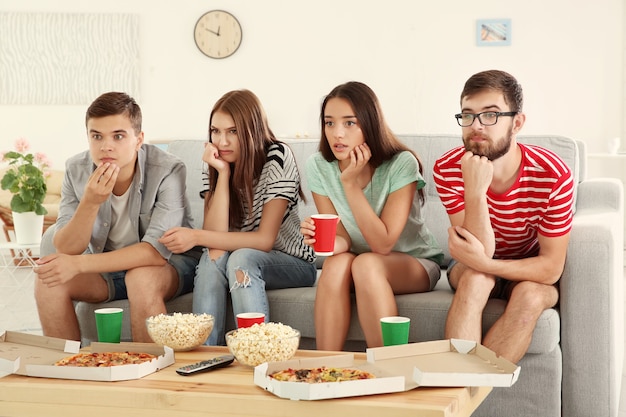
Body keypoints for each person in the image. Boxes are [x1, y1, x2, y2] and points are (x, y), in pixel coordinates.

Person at [34, 92, 200, 343]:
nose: (106, 146)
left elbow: (155, 253)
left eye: (118, 136)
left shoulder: (168, 169)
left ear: (138, 139)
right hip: (107, 272)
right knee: (48, 279)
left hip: (167, 267)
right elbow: (67, 248)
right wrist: (90, 202)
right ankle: (69, 372)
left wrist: (79, 265)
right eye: (96, 136)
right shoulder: (76, 169)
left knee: (140, 277)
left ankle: (150, 373)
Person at [433, 70, 575, 363]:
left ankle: (469, 394)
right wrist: (475, 191)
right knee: (476, 279)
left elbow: (550, 268)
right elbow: (476, 254)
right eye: (468, 115)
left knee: (531, 296)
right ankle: (459, 390)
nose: (476, 126)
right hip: (473, 265)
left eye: (491, 115)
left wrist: (486, 263)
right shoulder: (447, 168)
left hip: (529, 269)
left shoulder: (553, 174)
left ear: (517, 122)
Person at [160, 89, 317, 346]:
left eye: (232, 131)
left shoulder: (277, 157)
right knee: (212, 262)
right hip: (237, 257)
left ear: (251, 129)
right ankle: (206, 357)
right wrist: (221, 174)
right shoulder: (213, 160)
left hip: (292, 262)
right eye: (216, 131)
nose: (222, 141)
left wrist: (195, 236)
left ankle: (254, 352)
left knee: (242, 258)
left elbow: (265, 240)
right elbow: (215, 241)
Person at [301, 81, 443, 350]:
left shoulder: (401, 163)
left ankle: (388, 370)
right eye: (329, 123)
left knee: (366, 263)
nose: (337, 133)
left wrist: (350, 185)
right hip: (357, 262)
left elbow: (383, 244)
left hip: (413, 263)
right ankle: (326, 368)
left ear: (369, 123)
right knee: (335, 264)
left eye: (349, 123)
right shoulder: (319, 165)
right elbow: (342, 240)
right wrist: (319, 237)